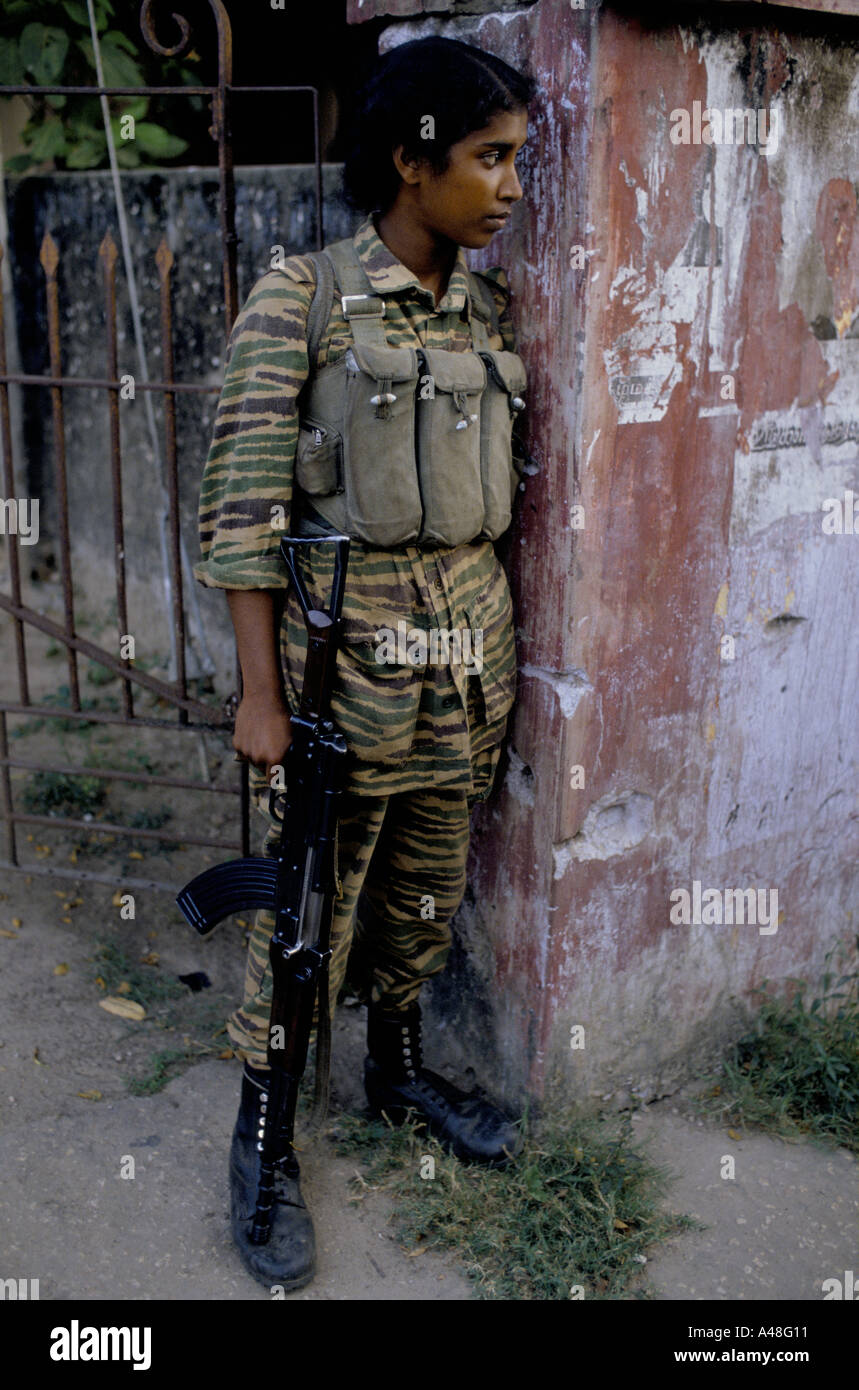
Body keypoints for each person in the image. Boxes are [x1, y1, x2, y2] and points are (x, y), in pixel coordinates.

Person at [194, 35, 537, 1291]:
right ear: (411, 160)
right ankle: (267, 1137)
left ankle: (395, 1075)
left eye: (516, 161)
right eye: (489, 160)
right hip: (344, 669)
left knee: (423, 890)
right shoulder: (304, 298)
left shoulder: (483, 307)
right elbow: (239, 510)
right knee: (301, 918)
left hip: (466, 667)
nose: (509, 187)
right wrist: (259, 696)